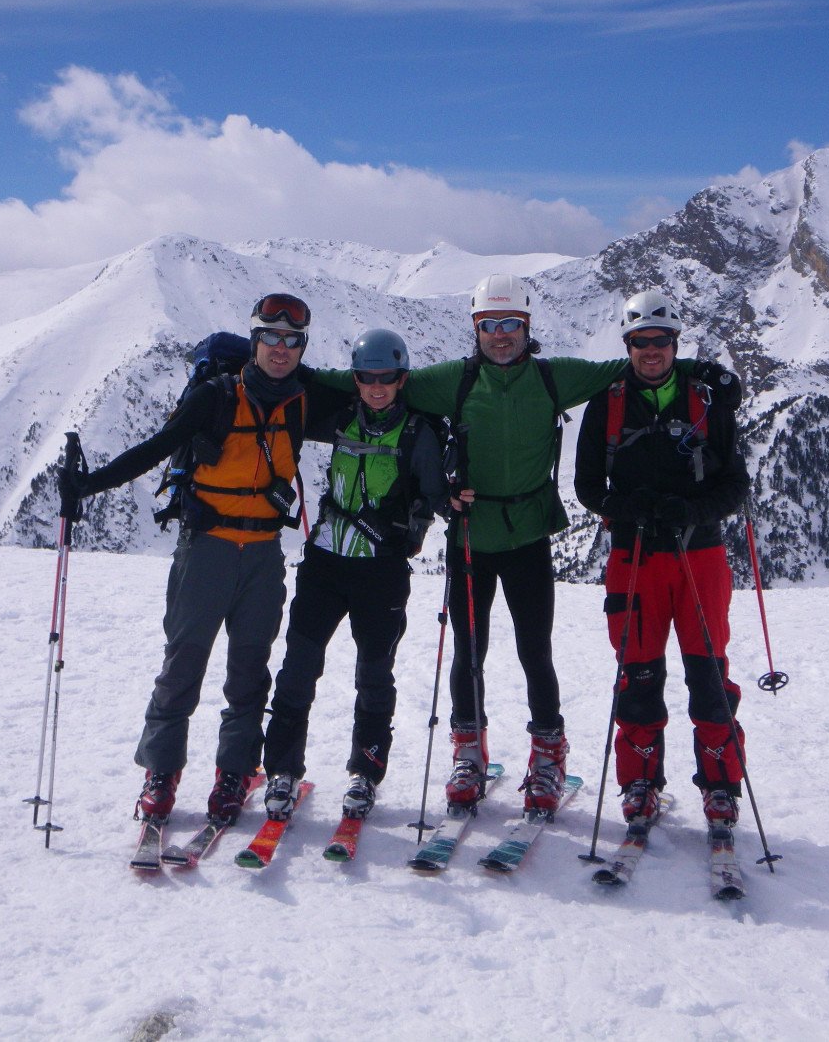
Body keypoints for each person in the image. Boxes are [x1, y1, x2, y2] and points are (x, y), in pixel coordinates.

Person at [313, 274, 628, 817]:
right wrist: (283, 371)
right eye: (489, 325)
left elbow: (632, 367)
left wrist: (698, 372)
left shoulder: (554, 378)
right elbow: (372, 379)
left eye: (510, 324)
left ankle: (548, 752)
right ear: (476, 328)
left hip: (528, 535)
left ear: (528, 326)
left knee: (536, 650)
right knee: (468, 651)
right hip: (469, 538)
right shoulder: (453, 382)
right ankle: (468, 750)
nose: (500, 335)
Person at [59, 293, 318, 827]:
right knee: (183, 665)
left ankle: (234, 772)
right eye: (271, 337)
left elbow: (376, 401)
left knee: (250, 672)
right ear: (254, 340)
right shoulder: (217, 397)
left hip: (265, 554)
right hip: (206, 551)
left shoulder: (305, 398)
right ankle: (160, 773)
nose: (281, 349)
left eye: (292, 341)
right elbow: (156, 448)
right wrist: (88, 486)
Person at [573, 289, 751, 829]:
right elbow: (586, 487)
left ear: (676, 342)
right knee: (639, 676)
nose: (651, 350)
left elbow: (736, 483)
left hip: (700, 556)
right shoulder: (607, 403)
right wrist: (637, 508)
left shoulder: (707, 400)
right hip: (636, 557)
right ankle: (639, 784)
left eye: (661, 340)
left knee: (709, 676)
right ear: (626, 344)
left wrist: (692, 510)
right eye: (640, 341)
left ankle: (721, 788)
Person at [260, 329, 448, 821]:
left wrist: (417, 522)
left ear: (402, 379)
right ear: (356, 380)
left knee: (374, 674)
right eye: (367, 378)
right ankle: (282, 768)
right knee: (299, 666)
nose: (377, 387)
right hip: (325, 563)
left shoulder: (417, 433)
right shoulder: (340, 417)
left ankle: (365, 773)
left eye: (387, 378)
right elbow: (289, 406)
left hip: (381, 571)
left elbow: (435, 494)